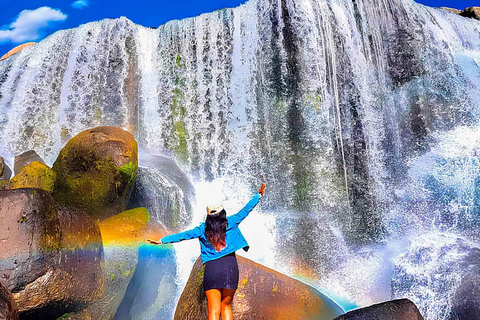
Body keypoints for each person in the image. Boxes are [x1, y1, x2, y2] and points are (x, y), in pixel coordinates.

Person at [147, 183, 266, 320]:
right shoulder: (231, 222)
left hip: (212, 269)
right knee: (226, 306)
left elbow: (182, 236)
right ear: (222, 213)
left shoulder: (202, 229)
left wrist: (162, 240)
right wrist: (258, 195)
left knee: (213, 311)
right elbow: (246, 210)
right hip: (230, 267)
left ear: (208, 216)